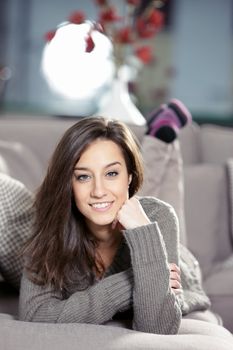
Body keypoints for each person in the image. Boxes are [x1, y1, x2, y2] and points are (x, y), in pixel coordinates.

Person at [19, 101, 211, 335]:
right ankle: (163, 133)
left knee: (164, 204)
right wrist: (133, 280)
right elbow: (36, 315)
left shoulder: (157, 218)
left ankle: (166, 139)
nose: (98, 190)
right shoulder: (50, 223)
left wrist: (143, 231)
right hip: (138, 228)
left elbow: (157, 328)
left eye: (111, 173)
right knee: (144, 199)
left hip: (180, 261)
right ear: (68, 182)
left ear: (129, 176)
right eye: (82, 177)